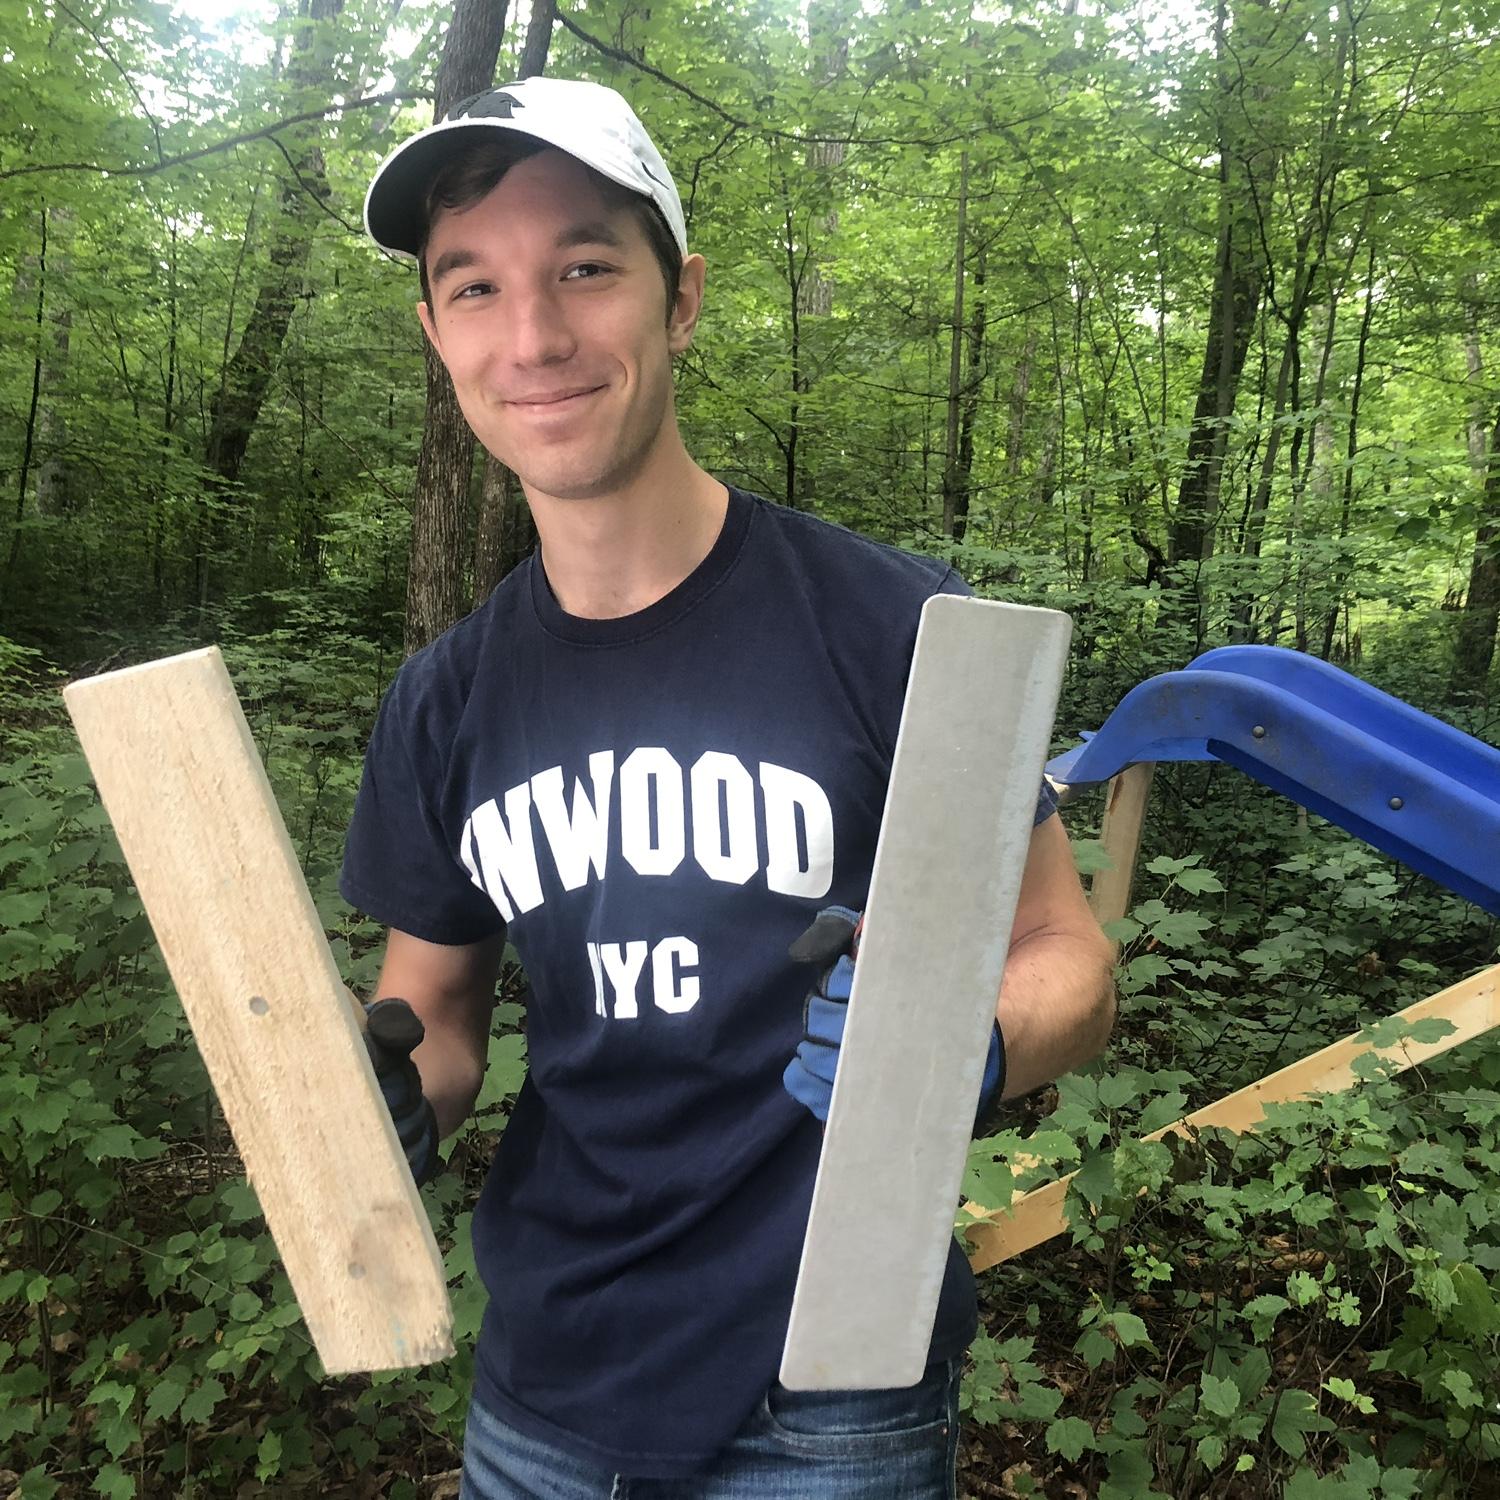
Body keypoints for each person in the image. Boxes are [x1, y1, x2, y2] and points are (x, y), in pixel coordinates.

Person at [345, 75, 1116, 1500]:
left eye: (584, 266)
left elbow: (1068, 962)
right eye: (475, 288)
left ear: (679, 297)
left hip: (836, 1395)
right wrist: (381, 1098)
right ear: (435, 331)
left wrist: (968, 1038)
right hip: (544, 1399)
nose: (534, 336)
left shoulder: (894, 629)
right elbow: (438, 1020)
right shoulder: (444, 700)